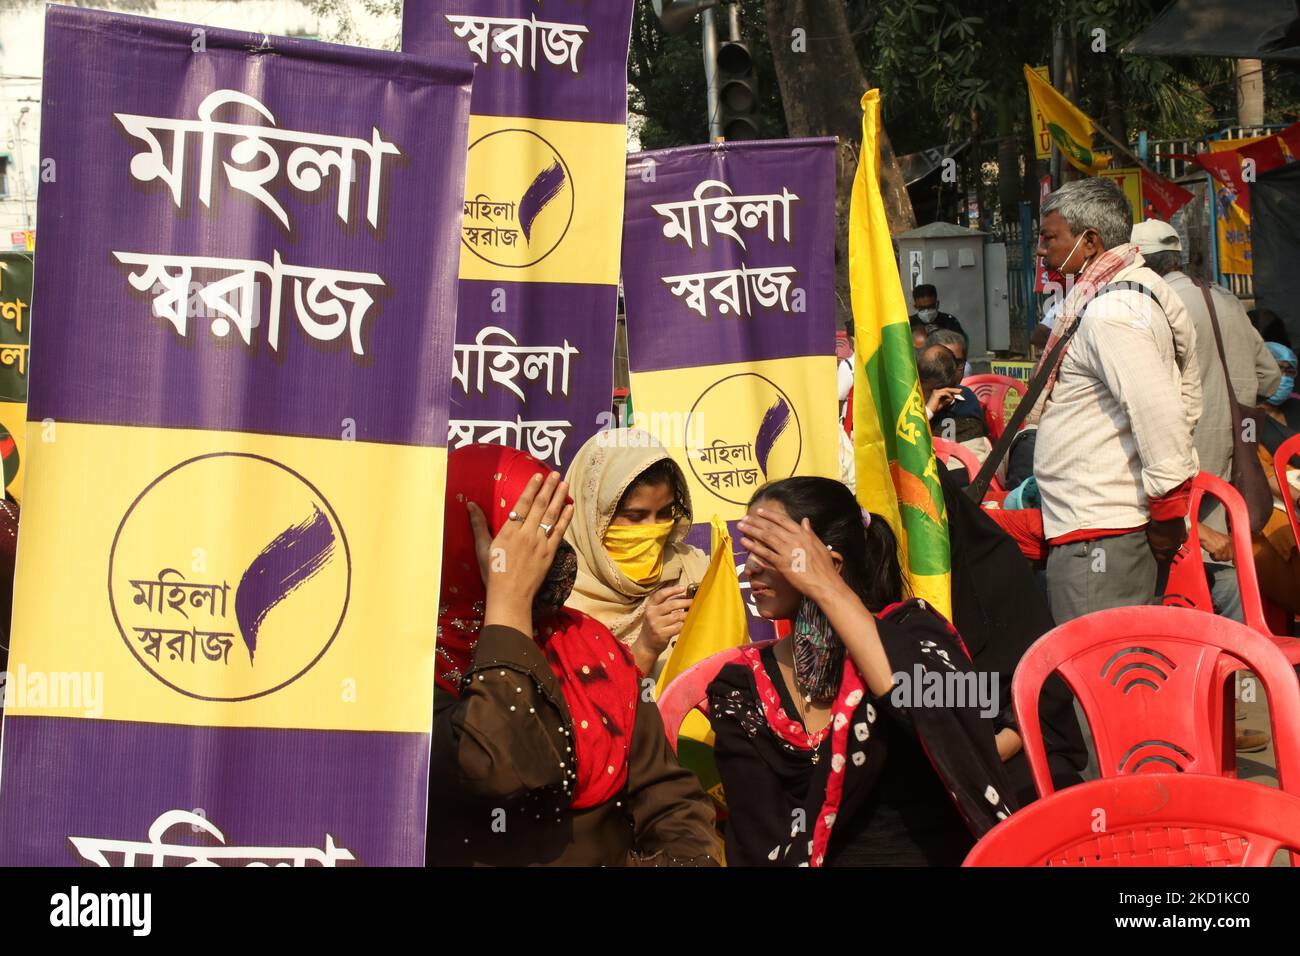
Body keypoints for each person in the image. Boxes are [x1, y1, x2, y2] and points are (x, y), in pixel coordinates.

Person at [426, 444, 720, 866]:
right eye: (520, 537)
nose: (544, 553)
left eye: (550, 531)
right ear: (454, 536)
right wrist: (507, 609)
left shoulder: (588, 644)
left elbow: (673, 803)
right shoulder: (407, 665)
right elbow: (494, 764)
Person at [707, 477, 1016, 867]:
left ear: (829, 563)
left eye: (771, 550)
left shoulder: (916, 636)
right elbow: (760, 842)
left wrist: (827, 590)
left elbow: (943, 721)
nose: (749, 568)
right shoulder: (742, 687)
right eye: (748, 549)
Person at [1031, 178, 1201, 624]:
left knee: (1098, 681)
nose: (1041, 250)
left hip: (1102, 535)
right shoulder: (1114, 295)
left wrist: (1167, 515)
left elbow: (1158, 413)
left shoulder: (1111, 311)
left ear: (1089, 242)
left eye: (1050, 238)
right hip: (1095, 527)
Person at [1134, 219, 1280, 626]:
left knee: (1178, 564)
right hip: (1233, 451)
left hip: (1179, 452)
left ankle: (1187, 664)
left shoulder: (1156, 304)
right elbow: (1271, 377)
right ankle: (1237, 658)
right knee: (1224, 561)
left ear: (1143, 265)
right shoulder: (1229, 300)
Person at [563, 429, 709, 676]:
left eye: (664, 513)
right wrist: (645, 649)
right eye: (635, 516)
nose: (652, 529)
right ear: (593, 517)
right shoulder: (556, 596)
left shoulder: (693, 570)